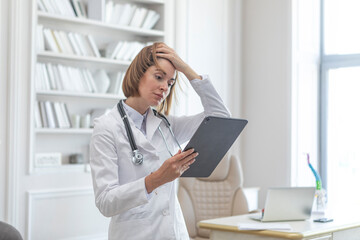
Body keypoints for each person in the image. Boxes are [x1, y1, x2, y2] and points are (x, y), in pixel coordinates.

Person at [90, 42, 230, 240]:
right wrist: (156, 179)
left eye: (170, 82)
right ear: (139, 74)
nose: (165, 87)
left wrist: (186, 68)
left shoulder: (166, 124)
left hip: (174, 234)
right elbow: (105, 202)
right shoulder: (107, 127)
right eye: (158, 77)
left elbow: (221, 118)